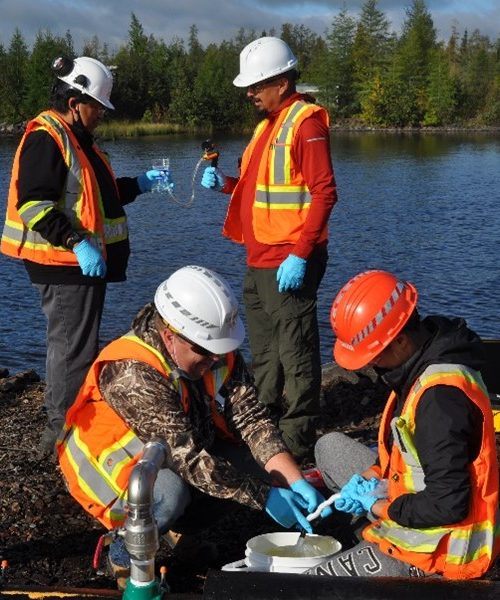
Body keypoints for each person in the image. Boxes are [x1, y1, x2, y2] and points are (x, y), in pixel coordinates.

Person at [56, 265, 332, 586]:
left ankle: (176, 529)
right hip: (114, 476)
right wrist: (263, 496)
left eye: (221, 350)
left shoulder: (213, 351)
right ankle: (122, 551)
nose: (217, 359)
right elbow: (187, 459)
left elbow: (251, 418)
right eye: (206, 351)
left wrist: (292, 479)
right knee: (171, 493)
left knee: (258, 469)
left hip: (172, 459)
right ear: (170, 336)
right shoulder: (131, 372)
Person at [1, 56, 170, 456]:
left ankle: (72, 420)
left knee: (76, 344)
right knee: (70, 349)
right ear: (76, 101)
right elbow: (34, 205)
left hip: (80, 262)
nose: (101, 116)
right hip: (63, 263)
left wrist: (140, 185)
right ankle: (62, 434)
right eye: (97, 107)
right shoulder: (47, 137)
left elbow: (100, 197)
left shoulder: (77, 141)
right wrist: (76, 242)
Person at [307, 270, 500, 579]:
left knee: (306, 585)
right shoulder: (420, 362)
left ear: (399, 341)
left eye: (372, 355)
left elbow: (448, 505)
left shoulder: (439, 400)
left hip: (435, 552)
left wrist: (378, 507)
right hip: (414, 500)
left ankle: (386, 562)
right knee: (329, 447)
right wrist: (371, 477)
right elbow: (408, 453)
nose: (369, 364)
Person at [201, 37, 337, 464]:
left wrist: (300, 253)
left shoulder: (305, 123)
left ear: (281, 81)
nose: (250, 93)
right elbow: (253, 188)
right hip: (259, 260)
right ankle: (264, 423)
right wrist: (223, 183)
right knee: (264, 347)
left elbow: (325, 193)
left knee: (295, 346)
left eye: (256, 84)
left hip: (289, 258)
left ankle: (297, 436)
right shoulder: (267, 127)